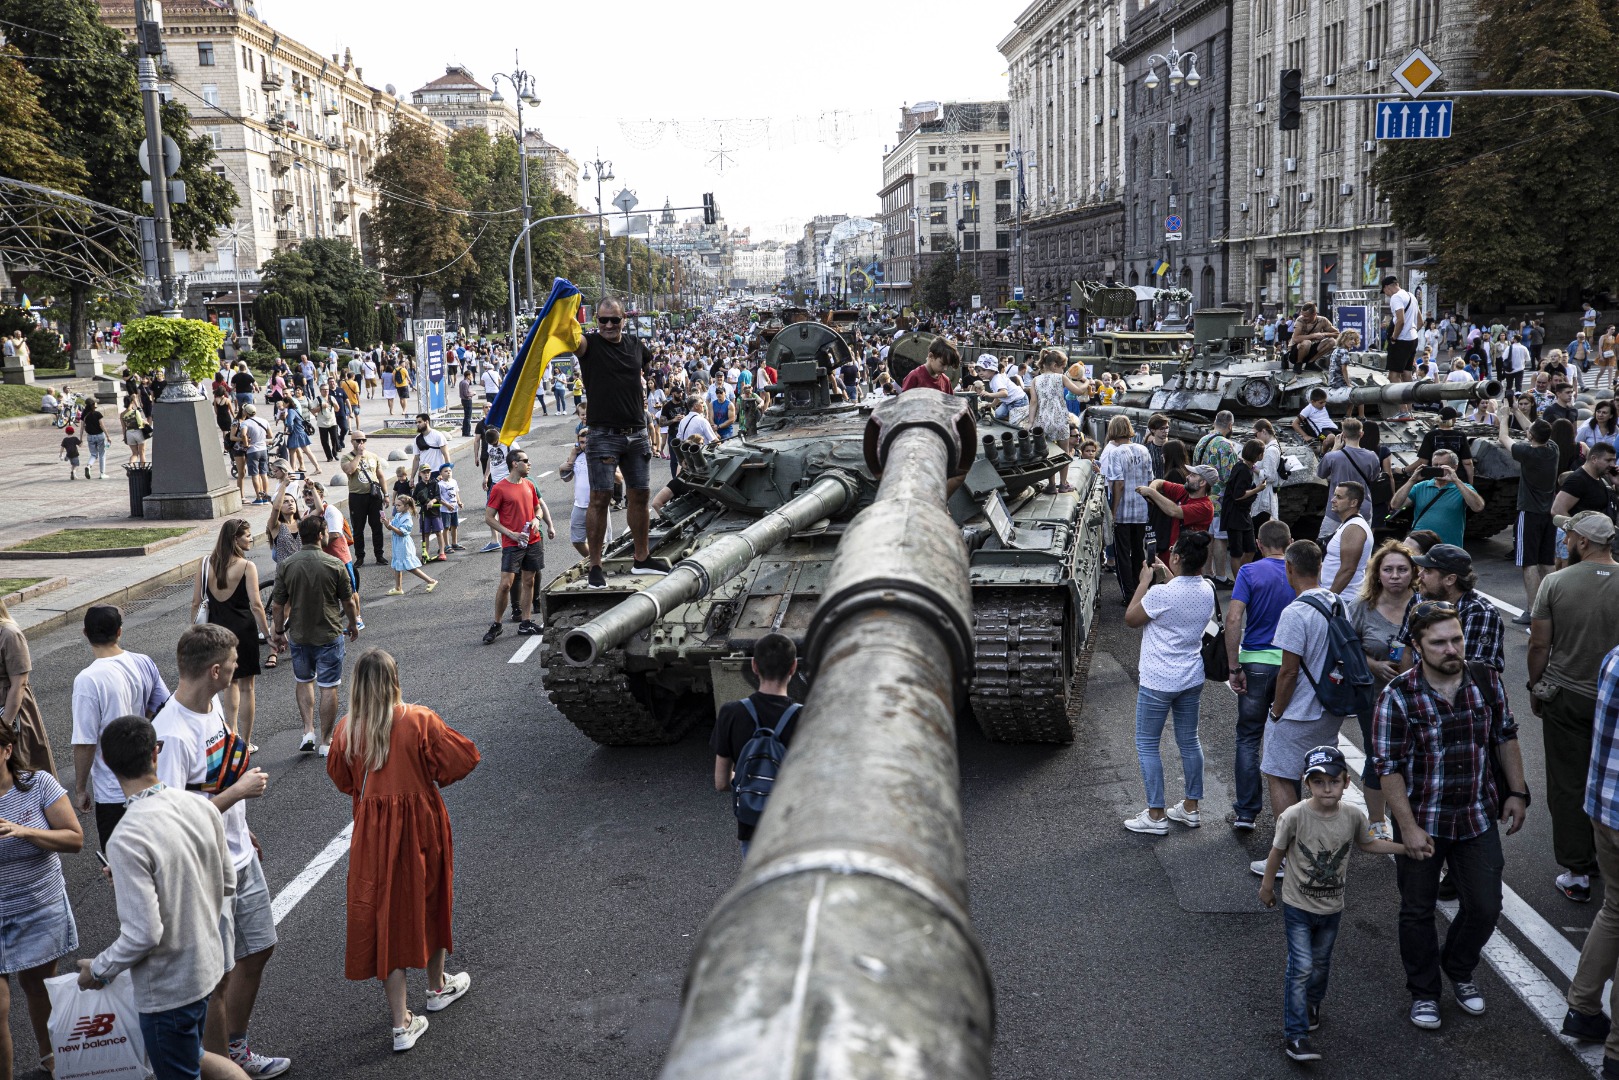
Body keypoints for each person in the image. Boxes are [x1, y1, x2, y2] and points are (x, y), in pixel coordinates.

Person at [1373, 602, 1528, 1031]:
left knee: (1485, 905)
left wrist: (1517, 792)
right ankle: (1424, 992)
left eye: (1455, 638)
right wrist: (1407, 827)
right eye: (1439, 642)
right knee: (1417, 910)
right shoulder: (1398, 695)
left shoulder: (1485, 679)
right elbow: (1388, 767)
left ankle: (1458, 968)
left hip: (1476, 816)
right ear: (1418, 647)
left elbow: (1505, 736)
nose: (1451, 648)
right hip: (1423, 819)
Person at [326, 649, 479, 1052]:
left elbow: (341, 779)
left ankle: (400, 1024)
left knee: (384, 916)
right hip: (421, 827)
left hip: (371, 837)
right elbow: (462, 759)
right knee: (430, 899)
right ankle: (436, 986)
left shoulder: (346, 730)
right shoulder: (417, 719)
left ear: (357, 686)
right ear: (394, 679)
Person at [152, 625, 288, 1077]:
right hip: (207, 872)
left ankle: (234, 1046)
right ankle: (220, 1067)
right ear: (214, 671)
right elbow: (173, 817)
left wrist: (240, 827)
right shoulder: (169, 734)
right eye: (232, 665)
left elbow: (211, 782)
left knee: (261, 947)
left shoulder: (210, 708)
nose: (237, 669)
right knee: (218, 977)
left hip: (238, 854)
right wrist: (240, 794)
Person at [81, 715, 239, 1080]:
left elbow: (144, 933)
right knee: (193, 1057)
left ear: (105, 762)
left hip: (167, 990)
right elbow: (226, 882)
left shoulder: (126, 837)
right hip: (208, 967)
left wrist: (99, 969)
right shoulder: (200, 806)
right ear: (156, 752)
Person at [1258, 744, 1402, 1062]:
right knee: (1300, 967)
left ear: (1346, 782)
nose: (1327, 787)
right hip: (1297, 906)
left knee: (1321, 965)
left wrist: (1404, 849)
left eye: (1333, 781)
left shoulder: (1352, 815)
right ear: (1306, 783)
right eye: (1319, 781)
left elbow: (1368, 844)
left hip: (1332, 909)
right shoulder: (1294, 816)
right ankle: (1295, 1036)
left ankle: (1312, 1003)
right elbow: (1276, 853)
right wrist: (1267, 888)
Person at [1529, 511, 1619, 903]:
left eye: (1569, 536)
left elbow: (1538, 645)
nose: (1564, 540)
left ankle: (1578, 871)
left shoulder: (1555, 582)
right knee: (1610, 781)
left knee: (1568, 782)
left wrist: (1535, 685)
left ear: (1582, 541)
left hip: (1566, 695)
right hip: (1613, 697)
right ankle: (1608, 860)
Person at [1248, 538, 1347, 876]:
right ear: (1320, 567)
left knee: (1279, 775)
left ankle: (1291, 855)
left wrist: (1276, 710)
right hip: (1329, 708)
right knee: (1321, 778)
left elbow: (1288, 670)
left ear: (1290, 568)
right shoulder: (1337, 602)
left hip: (1298, 711)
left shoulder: (1295, 612)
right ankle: (1323, 846)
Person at [0, 719, 83, 1080]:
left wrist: (25, 831)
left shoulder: (38, 785)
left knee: (38, 989)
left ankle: (52, 1059)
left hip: (37, 906)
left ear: (6, 751)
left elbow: (74, 839)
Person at [1121, 531, 1215, 835]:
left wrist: (1143, 582)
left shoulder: (1160, 594)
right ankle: (1191, 808)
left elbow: (1131, 618)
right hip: (1191, 677)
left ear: (1176, 557)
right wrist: (1167, 573)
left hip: (1159, 679)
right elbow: (1183, 592)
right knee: (1189, 741)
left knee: (1148, 744)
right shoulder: (1208, 589)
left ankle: (1156, 814)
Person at [577, 297, 661, 588]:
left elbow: (645, 370)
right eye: (603, 320)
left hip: (636, 433)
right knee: (599, 499)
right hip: (602, 434)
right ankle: (596, 566)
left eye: (615, 319)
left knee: (640, 494)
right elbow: (567, 337)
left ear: (625, 319)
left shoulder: (637, 346)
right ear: (596, 321)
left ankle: (642, 558)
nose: (609, 325)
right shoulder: (588, 345)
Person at [70, 605, 170, 848]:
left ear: (85, 633)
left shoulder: (88, 680)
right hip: (149, 778)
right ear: (120, 632)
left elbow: (85, 743)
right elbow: (163, 706)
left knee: (120, 867)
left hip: (113, 790)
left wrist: (81, 788)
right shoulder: (143, 662)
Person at [1563, 643, 1619, 1050]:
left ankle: (1582, 1008)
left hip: (1604, 806)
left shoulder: (1615, 655)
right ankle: (1617, 1048)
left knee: (1615, 908)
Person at [1226, 520, 1296, 831]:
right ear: (1290, 541)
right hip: (1291, 665)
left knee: (1248, 737)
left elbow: (1233, 617)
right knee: (1289, 738)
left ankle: (1246, 812)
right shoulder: (1301, 572)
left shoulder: (1249, 572)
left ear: (1258, 543)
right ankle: (1294, 814)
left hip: (1255, 663)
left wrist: (1233, 666)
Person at [1347, 540, 1420, 836]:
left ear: (1413, 573)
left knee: (1416, 755)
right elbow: (1346, 650)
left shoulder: (1424, 604)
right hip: (1374, 697)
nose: (1394, 575)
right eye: (1388, 569)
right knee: (1378, 754)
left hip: (1418, 697)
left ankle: (1411, 812)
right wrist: (1372, 665)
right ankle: (1377, 820)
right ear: (1377, 574)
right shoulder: (1362, 607)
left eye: (1402, 569)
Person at [269, 516, 359, 755]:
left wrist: (278, 632)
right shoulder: (334, 564)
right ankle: (325, 742)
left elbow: (277, 605)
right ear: (320, 535)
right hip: (329, 632)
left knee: (304, 680)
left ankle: (308, 731)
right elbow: (348, 601)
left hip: (299, 634)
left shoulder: (287, 564)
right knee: (328, 686)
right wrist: (352, 623)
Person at [709, 633, 799, 856]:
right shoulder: (806, 717)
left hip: (753, 829)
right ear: (794, 667)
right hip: (793, 830)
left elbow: (721, 782)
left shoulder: (731, 713)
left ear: (754, 666)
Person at [191, 520, 269, 752]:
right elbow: (256, 605)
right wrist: (269, 635)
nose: (250, 539)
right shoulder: (246, 566)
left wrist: (194, 633)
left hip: (216, 630)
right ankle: (245, 741)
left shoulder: (206, 563)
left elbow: (196, 602)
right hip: (242, 631)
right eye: (246, 536)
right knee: (247, 687)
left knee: (228, 684)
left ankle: (230, 735)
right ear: (234, 539)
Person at [481, 449, 554, 644]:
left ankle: (526, 621)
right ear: (515, 463)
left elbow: (537, 507)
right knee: (506, 584)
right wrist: (509, 533)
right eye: (526, 461)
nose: (529, 464)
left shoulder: (529, 485)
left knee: (529, 581)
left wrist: (538, 519)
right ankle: (496, 624)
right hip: (513, 543)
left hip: (533, 540)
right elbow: (489, 517)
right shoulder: (499, 488)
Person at [1497, 409, 1559, 623]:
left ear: (1531, 436)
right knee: (1547, 562)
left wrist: (1504, 416)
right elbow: (1531, 428)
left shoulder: (1527, 453)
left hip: (1530, 512)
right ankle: (1554, 605)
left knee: (1528, 562)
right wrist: (1516, 409)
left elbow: (1503, 437)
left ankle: (1532, 610)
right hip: (1548, 512)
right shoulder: (1553, 448)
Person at [1098, 415, 1155, 600]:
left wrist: (1112, 512)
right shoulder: (1143, 449)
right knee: (1139, 551)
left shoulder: (1116, 452)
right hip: (1141, 510)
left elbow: (1119, 484)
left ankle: (1129, 594)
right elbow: (1149, 480)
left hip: (1123, 511)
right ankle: (1141, 589)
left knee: (1123, 553)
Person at [0, 600, 53, 777]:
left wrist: (5, 724)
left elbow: (19, 683)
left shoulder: (9, 634)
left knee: (19, 767)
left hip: (10, 708)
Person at [1388, 451, 1484, 549]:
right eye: (1435, 465)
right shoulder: (1420, 487)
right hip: (1419, 545)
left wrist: (1457, 481)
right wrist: (1412, 480)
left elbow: (1478, 507)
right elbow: (1396, 505)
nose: (1437, 468)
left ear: (1454, 467)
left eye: (1442, 465)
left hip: (1448, 546)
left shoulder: (1463, 488)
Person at [1193, 412, 1241, 583]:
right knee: (1221, 538)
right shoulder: (1226, 445)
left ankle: (1208, 572)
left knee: (1208, 537)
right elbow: (1230, 475)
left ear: (1215, 422)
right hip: (1220, 500)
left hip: (1203, 496)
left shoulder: (1202, 441)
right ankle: (1221, 576)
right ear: (1230, 425)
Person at [1314, 422, 1378, 541]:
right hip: (1362, 508)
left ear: (1343, 435)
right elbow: (1373, 478)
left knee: (1325, 545)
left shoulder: (1332, 456)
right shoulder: (1372, 456)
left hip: (1337, 509)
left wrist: (1333, 449)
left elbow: (1320, 474)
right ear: (1361, 434)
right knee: (1360, 545)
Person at [1137, 465, 1216, 548]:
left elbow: (1174, 511)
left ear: (1202, 482)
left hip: (1187, 556)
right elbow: (1159, 482)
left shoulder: (1205, 507)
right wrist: (1152, 488)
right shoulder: (1185, 491)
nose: (1187, 477)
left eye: (1193, 475)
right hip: (1171, 551)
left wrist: (1151, 493)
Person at [1319, 482, 1372, 597]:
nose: (1333, 500)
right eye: (1334, 495)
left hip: (1344, 598)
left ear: (1353, 502)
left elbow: (1348, 569)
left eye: (1339, 497)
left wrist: (1330, 598)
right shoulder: (1348, 524)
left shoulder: (1354, 528)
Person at [386, 494, 439, 596]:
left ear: (406, 506)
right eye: (396, 505)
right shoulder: (398, 515)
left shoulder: (407, 519)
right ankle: (398, 588)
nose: (396, 507)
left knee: (410, 567)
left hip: (403, 545)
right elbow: (390, 527)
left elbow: (401, 532)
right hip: (397, 544)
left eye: (399, 505)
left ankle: (431, 580)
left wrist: (390, 527)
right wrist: (385, 523)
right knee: (397, 565)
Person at [1382, 275, 1421, 388]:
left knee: (1393, 376)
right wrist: (1411, 331)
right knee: (1406, 374)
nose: (1386, 295)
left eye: (1384, 291)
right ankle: (1409, 406)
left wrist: (1394, 338)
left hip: (1401, 340)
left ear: (1387, 287)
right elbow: (1420, 322)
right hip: (1413, 339)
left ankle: (1402, 406)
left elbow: (1400, 321)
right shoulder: (1411, 295)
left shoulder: (1396, 297)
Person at [1286, 302, 1338, 372]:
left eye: (1306, 316)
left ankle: (1311, 362)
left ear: (1314, 314)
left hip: (1312, 349)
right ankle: (1298, 364)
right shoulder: (1300, 320)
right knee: (1307, 343)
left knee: (1332, 341)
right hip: (1296, 351)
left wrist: (1323, 334)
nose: (1303, 317)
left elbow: (1337, 333)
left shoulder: (1322, 320)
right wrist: (1313, 335)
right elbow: (1296, 338)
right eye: (1302, 315)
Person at [237, 404, 272, 504]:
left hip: (253, 450)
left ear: (246, 413)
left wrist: (246, 444)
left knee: (255, 475)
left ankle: (259, 497)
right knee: (264, 474)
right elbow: (270, 435)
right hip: (263, 449)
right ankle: (265, 496)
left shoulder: (245, 423)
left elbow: (243, 434)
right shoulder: (264, 421)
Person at [407, 413, 450, 486]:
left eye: (420, 422)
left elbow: (446, 454)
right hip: (423, 473)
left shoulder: (437, 435)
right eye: (416, 422)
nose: (417, 424)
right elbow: (416, 459)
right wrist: (412, 477)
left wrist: (446, 472)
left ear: (426, 422)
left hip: (436, 472)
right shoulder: (417, 439)